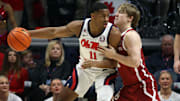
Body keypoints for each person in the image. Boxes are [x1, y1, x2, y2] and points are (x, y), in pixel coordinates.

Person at [28, 2, 120, 101]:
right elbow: (54, 32)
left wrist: (95, 63)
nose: (106, 19)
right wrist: (28, 33)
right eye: (103, 16)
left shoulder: (113, 33)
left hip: (104, 72)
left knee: (104, 99)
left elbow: (114, 63)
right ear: (93, 16)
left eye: (107, 16)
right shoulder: (79, 26)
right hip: (85, 69)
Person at [97, 3, 160, 101]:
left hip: (141, 85)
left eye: (121, 12)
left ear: (130, 18)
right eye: (117, 12)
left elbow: (135, 62)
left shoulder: (131, 35)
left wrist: (114, 55)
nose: (116, 14)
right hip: (128, 87)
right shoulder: (117, 37)